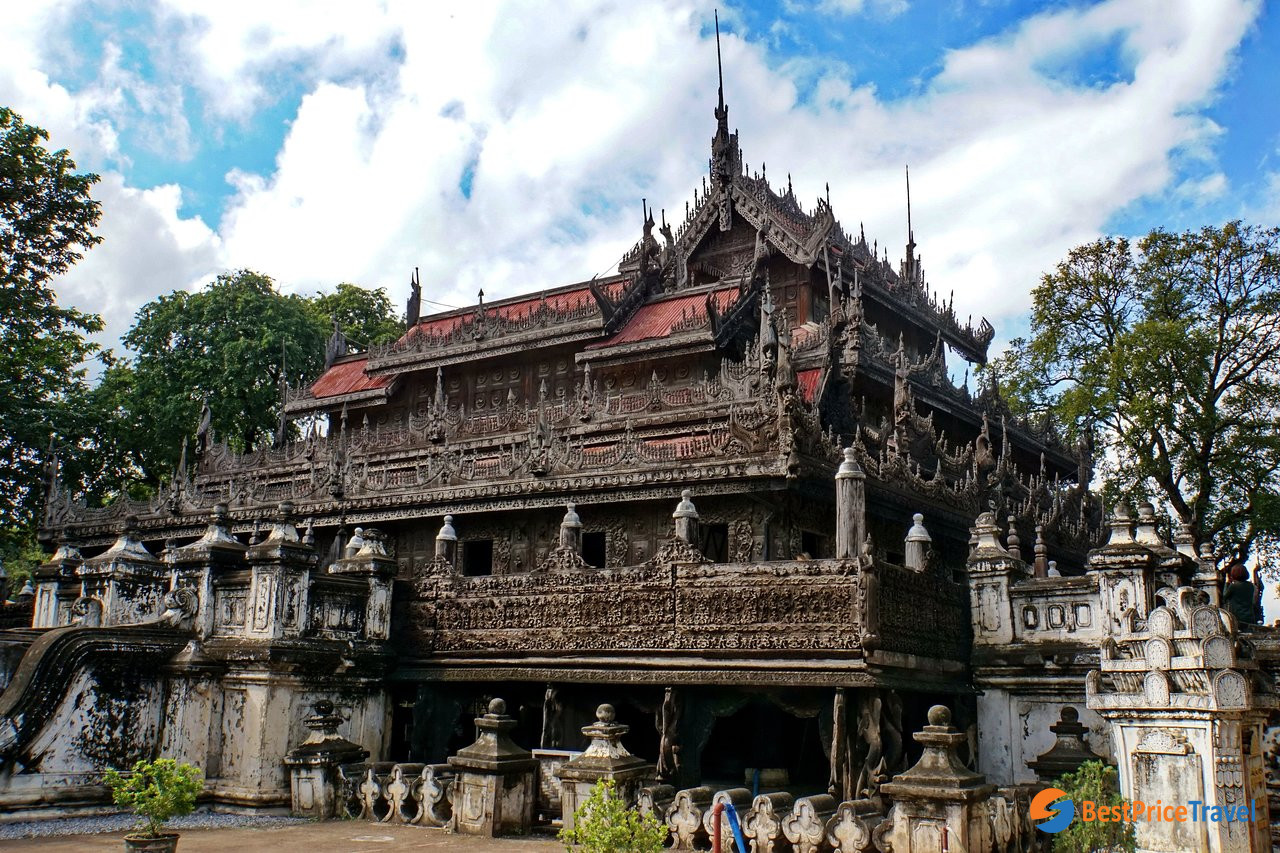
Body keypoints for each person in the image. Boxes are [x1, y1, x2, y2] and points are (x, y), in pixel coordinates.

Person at [1223, 563, 1261, 627]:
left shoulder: (1233, 586)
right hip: (1250, 616)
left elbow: (1224, 596)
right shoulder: (1250, 585)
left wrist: (1226, 583)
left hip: (1237, 617)